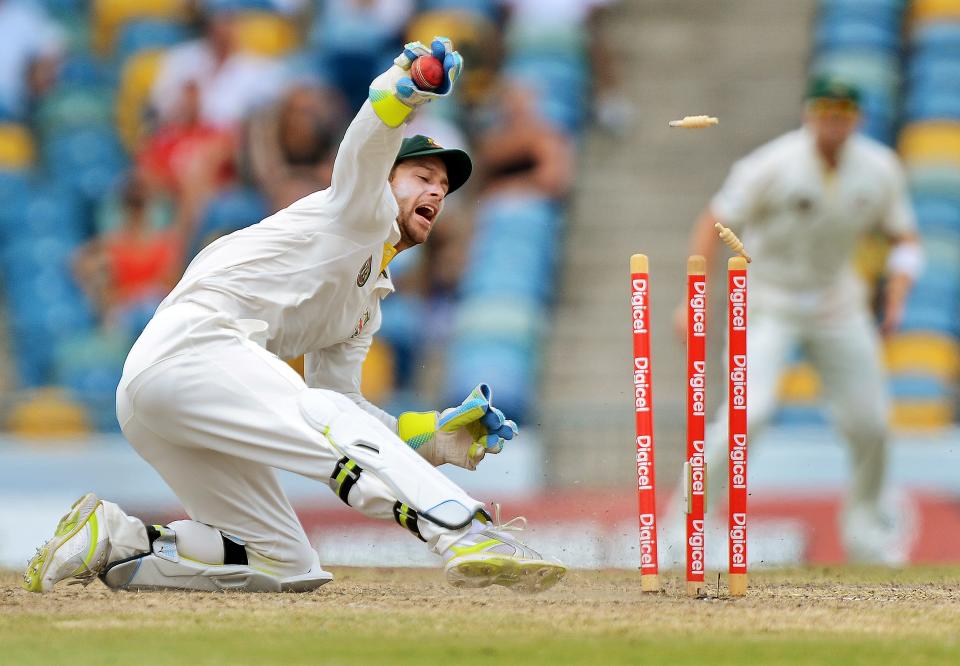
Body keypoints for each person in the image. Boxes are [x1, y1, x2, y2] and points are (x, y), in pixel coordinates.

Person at [24, 38, 565, 594]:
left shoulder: (366, 299)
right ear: (385, 180)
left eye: (444, 187)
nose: (436, 191)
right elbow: (367, 144)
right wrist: (403, 88)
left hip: (167, 395)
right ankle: (461, 529)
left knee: (286, 562)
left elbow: (343, 409)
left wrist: (431, 433)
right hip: (193, 350)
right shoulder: (361, 209)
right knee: (322, 416)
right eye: (422, 176)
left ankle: (116, 538)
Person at [672, 76, 922, 564]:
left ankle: (867, 536)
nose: (833, 125)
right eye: (825, 114)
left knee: (871, 423)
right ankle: (685, 531)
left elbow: (904, 239)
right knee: (748, 415)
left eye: (843, 116)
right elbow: (713, 220)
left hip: (838, 304)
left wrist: (897, 296)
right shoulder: (772, 163)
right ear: (810, 114)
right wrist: (691, 298)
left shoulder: (879, 168)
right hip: (769, 302)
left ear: (857, 118)